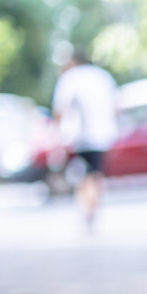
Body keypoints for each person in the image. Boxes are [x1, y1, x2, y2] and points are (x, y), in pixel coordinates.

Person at [51, 48, 119, 227]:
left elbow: (59, 109)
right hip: (103, 134)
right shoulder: (102, 77)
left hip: (79, 137)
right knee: (96, 171)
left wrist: (57, 133)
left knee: (83, 173)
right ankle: (93, 204)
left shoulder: (70, 78)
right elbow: (115, 106)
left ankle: (88, 206)